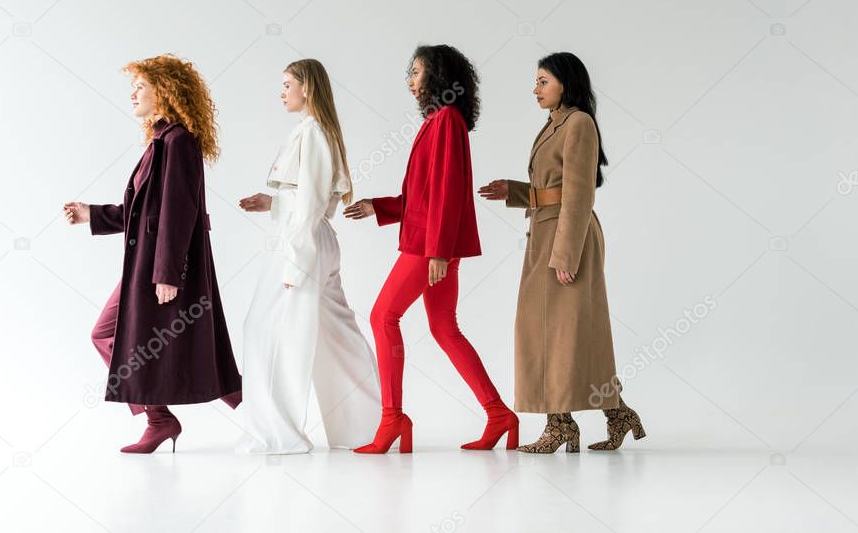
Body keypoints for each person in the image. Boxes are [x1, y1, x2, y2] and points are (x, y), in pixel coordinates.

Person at [344, 44, 518, 454]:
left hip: (429, 246)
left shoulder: (446, 121)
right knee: (444, 328)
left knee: (382, 316)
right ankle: (498, 414)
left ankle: (393, 419)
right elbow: (423, 195)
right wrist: (379, 206)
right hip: (433, 242)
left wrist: (439, 251)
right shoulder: (441, 121)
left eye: (417, 72)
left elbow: (447, 192)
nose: (410, 81)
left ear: (438, 76)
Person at [63, 53, 242, 454]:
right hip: (147, 264)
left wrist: (168, 272)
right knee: (126, 336)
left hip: (159, 267)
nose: (133, 93)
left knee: (126, 336)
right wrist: (91, 214)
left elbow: (180, 212)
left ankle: (243, 408)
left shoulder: (179, 142)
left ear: (163, 91)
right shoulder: (161, 141)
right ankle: (162, 419)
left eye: (140, 86)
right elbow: (143, 212)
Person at [479, 51, 645, 453]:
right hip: (544, 230)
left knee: (564, 332)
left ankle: (563, 425)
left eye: (543, 81)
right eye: (536, 81)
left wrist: (566, 254)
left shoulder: (579, 123)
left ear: (565, 84)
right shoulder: (555, 124)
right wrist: (516, 192)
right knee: (554, 331)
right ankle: (611, 414)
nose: (535, 89)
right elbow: (552, 186)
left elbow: (579, 193)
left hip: (566, 236)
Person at [236, 59, 380, 454]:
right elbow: (308, 198)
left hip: (304, 244)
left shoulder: (313, 133)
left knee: (270, 331)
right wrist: (273, 202)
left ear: (307, 88)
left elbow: (314, 203)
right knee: (337, 335)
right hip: (314, 240)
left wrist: (296, 261)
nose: (281, 92)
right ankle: (373, 425)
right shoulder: (315, 132)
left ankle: (277, 434)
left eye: (287, 85)